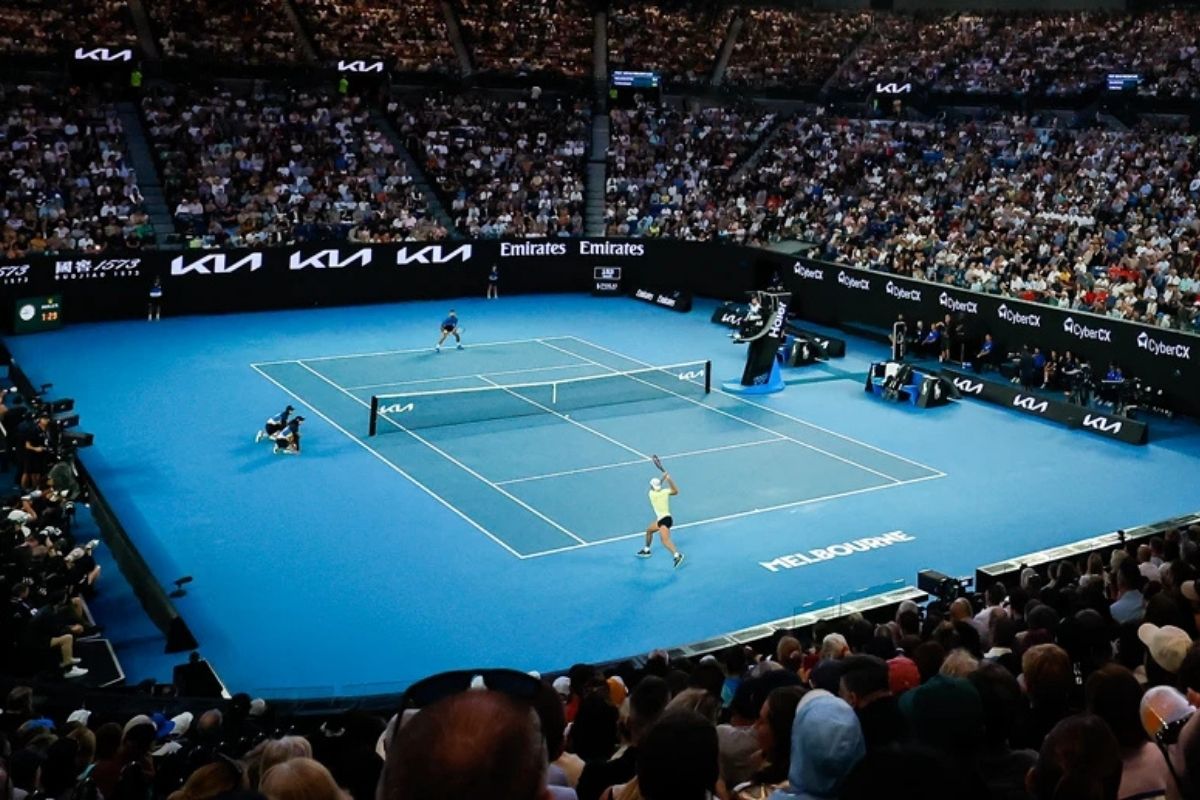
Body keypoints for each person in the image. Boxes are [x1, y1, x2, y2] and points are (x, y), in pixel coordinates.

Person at [636, 471, 684, 568]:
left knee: (665, 540)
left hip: (664, 520)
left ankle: (677, 555)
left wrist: (662, 478)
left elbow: (654, 487)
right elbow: (676, 491)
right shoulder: (665, 492)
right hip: (664, 519)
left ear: (652, 486)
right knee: (649, 530)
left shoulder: (651, 494)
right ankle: (646, 550)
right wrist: (669, 479)